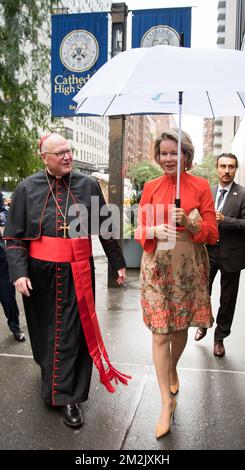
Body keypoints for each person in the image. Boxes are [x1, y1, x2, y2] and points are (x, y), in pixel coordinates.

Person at [4, 133, 130, 428]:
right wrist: (19, 273)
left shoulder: (88, 185)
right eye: (60, 153)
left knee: (73, 333)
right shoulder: (26, 188)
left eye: (69, 151)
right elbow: (13, 237)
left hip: (77, 271)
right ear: (44, 157)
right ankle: (50, 373)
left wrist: (118, 263)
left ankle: (69, 397)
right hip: (39, 273)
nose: (67, 156)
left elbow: (105, 228)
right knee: (44, 330)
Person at [135, 128, 218, 439]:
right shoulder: (151, 187)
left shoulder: (200, 187)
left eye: (175, 152)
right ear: (158, 156)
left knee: (179, 328)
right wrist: (154, 227)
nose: (169, 158)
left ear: (186, 155)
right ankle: (165, 402)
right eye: (164, 153)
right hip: (157, 265)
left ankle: (172, 368)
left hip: (188, 266)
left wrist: (192, 221)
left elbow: (211, 232)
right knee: (160, 333)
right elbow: (139, 229)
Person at [194, 153, 245, 357]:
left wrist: (226, 219)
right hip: (208, 252)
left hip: (232, 255)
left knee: (228, 299)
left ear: (235, 169)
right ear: (217, 168)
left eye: (230, 166)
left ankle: (220, 337)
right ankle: (204, 322)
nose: (226, 170)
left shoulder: (242, 194)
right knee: (202, 291)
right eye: (222, 166)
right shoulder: (209, 192)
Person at [0, 191, 25, 342]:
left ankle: (15, 327)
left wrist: (2, 219)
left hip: (2, 264)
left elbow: (4, 210)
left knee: (8, 300)